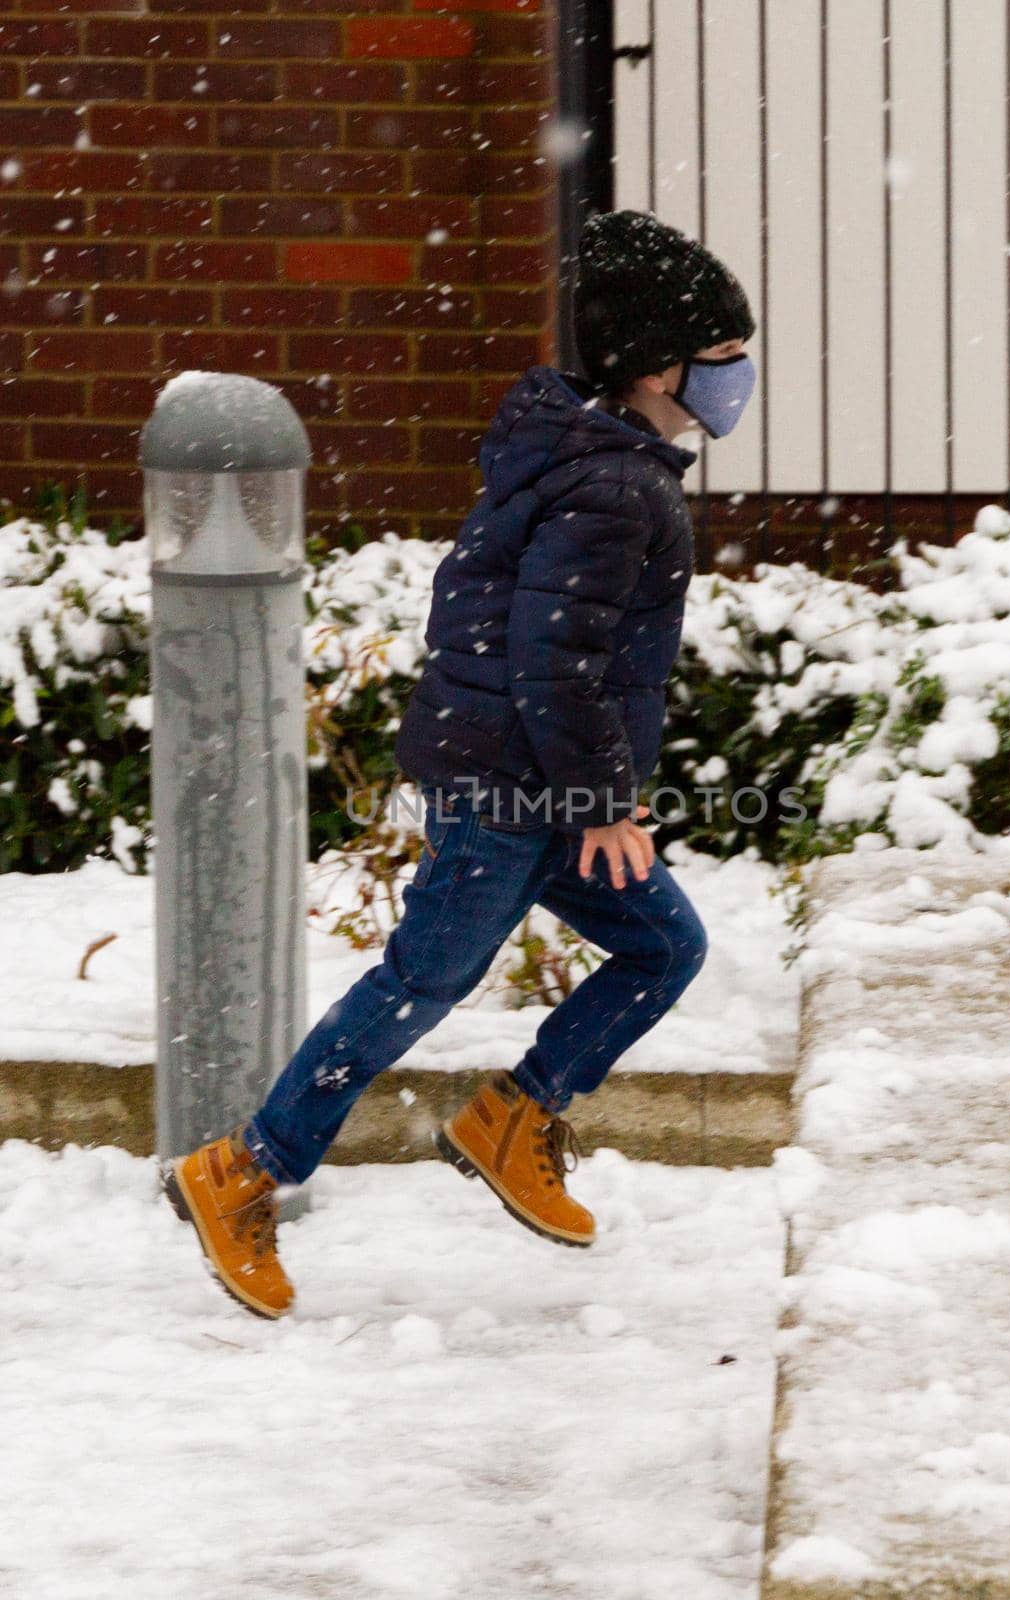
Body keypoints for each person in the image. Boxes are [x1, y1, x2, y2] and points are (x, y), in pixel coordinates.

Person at [164, 209, 757, 1319]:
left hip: (527, 779)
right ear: (650, 362)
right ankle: (241, 1170)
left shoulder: (584, 453)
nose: (738, 376)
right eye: (721, 357)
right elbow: (554, 656)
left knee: (663, 944)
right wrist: (602, 804)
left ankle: (515, 1117)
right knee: (421, 982)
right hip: (514, 789)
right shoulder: (613, 484)